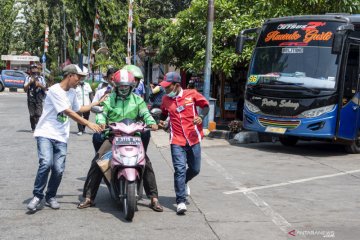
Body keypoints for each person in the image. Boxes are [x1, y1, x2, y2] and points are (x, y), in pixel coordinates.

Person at [78, 69, 163, 212]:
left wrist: (152, 122)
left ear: (131, 86)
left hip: (133, 137)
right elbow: (101, 114)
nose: (123, 89)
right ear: (115, 86)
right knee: (99, 161)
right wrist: (101, 123)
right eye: (121, 86)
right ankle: (89, 197)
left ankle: (154, 199)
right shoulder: (109, 99)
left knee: (146, 162)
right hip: (113, 136)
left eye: (126, 86)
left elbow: (145, 114)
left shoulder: (138, 100)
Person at [26, 64, 104, 212]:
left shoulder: (72, 93)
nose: (79, 81)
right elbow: (68, 112)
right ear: (70, 76)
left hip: (61, 136)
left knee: (59, 169)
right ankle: (37, 196)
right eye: (78, 78)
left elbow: (78, 109)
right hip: (46, 133)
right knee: (46, 163)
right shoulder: (55, 90)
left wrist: (96, 104)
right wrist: (88, 123)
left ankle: (50, 196)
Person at [159, 72, 209, 215]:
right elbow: (163, 114)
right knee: (180, 169)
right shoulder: (165, 100)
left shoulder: (191, 94)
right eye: (165, 87)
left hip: (193, 138)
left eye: (168, 87)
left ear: (177, 85)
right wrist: (162, 122)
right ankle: (180, 200)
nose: (166, 89)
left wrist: (201, 117)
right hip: (177, 139)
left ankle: (184, 181)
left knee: (195, 169)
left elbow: (205, 106)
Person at [92, 67, 118, 152]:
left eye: (116, 78)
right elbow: (93, 107)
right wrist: (101, 101)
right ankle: (97, 160)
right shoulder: (101, 92)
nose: (113, 80)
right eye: (111, 78)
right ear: (107, 79)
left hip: (122, 125)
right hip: (105, 126)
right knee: (97, 137)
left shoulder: (125, 92)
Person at [23, 64, 47, 132]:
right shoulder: (28, 78)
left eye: (35, 68)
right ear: (30, 70)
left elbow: (45, 88)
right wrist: (29, 83)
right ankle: (33, 128)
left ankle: (38, 126)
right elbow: (25, 89)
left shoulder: (41, 78)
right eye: (32, 68)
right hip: (30, 98)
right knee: (32, 114)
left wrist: (40, 85)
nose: (34, 70)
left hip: (39, 98)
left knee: (39, 114)